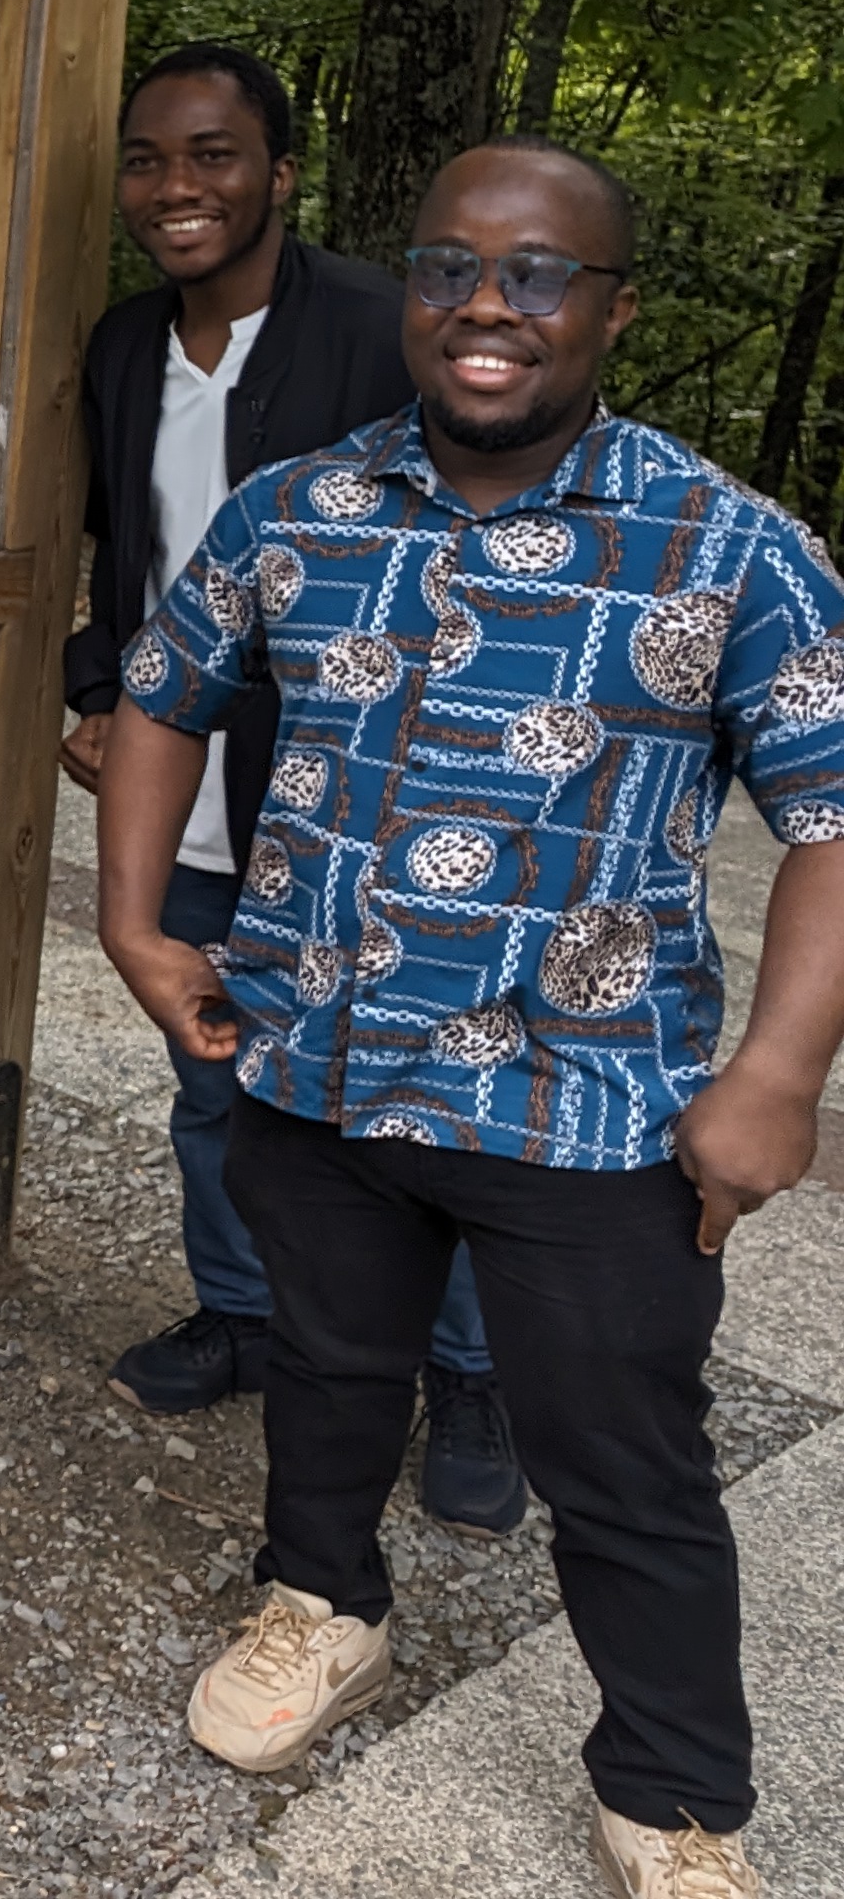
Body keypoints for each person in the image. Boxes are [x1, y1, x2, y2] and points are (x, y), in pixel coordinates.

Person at [102, 139, 844, 1899]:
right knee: (331, 1371)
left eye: (536, 274)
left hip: (588, 1106)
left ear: (611, 310)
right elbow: (160, 695)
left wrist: (781, 1076)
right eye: (447, 269)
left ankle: (672, 1799)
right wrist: (137, 926)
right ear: (411, 291)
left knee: (624, 1456)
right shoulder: (297, 511)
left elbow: (833, 817)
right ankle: (324, 1610)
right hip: (321, 1062)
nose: (485, 307)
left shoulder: (729, 547)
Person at [64, 43, 524, 1532]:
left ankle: (465, 1377)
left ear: (280, 171)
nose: (177, 188)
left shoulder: (374, 335)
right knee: (217, 1086)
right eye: (149, 159)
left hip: (359, 815)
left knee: (422, 1106)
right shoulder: (127, 347)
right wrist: (98, 695)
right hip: (186, 802)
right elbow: (120, 558)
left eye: (212, 155)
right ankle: (246, 1317)